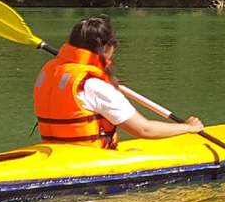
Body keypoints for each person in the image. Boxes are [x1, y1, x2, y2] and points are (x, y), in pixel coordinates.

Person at [33, 16, 203, 147]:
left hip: (55, 151)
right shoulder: (94, 84)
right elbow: (144, 129)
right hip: (90, 158)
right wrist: (188, 127)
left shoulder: (49, 71)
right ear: (107, 48)